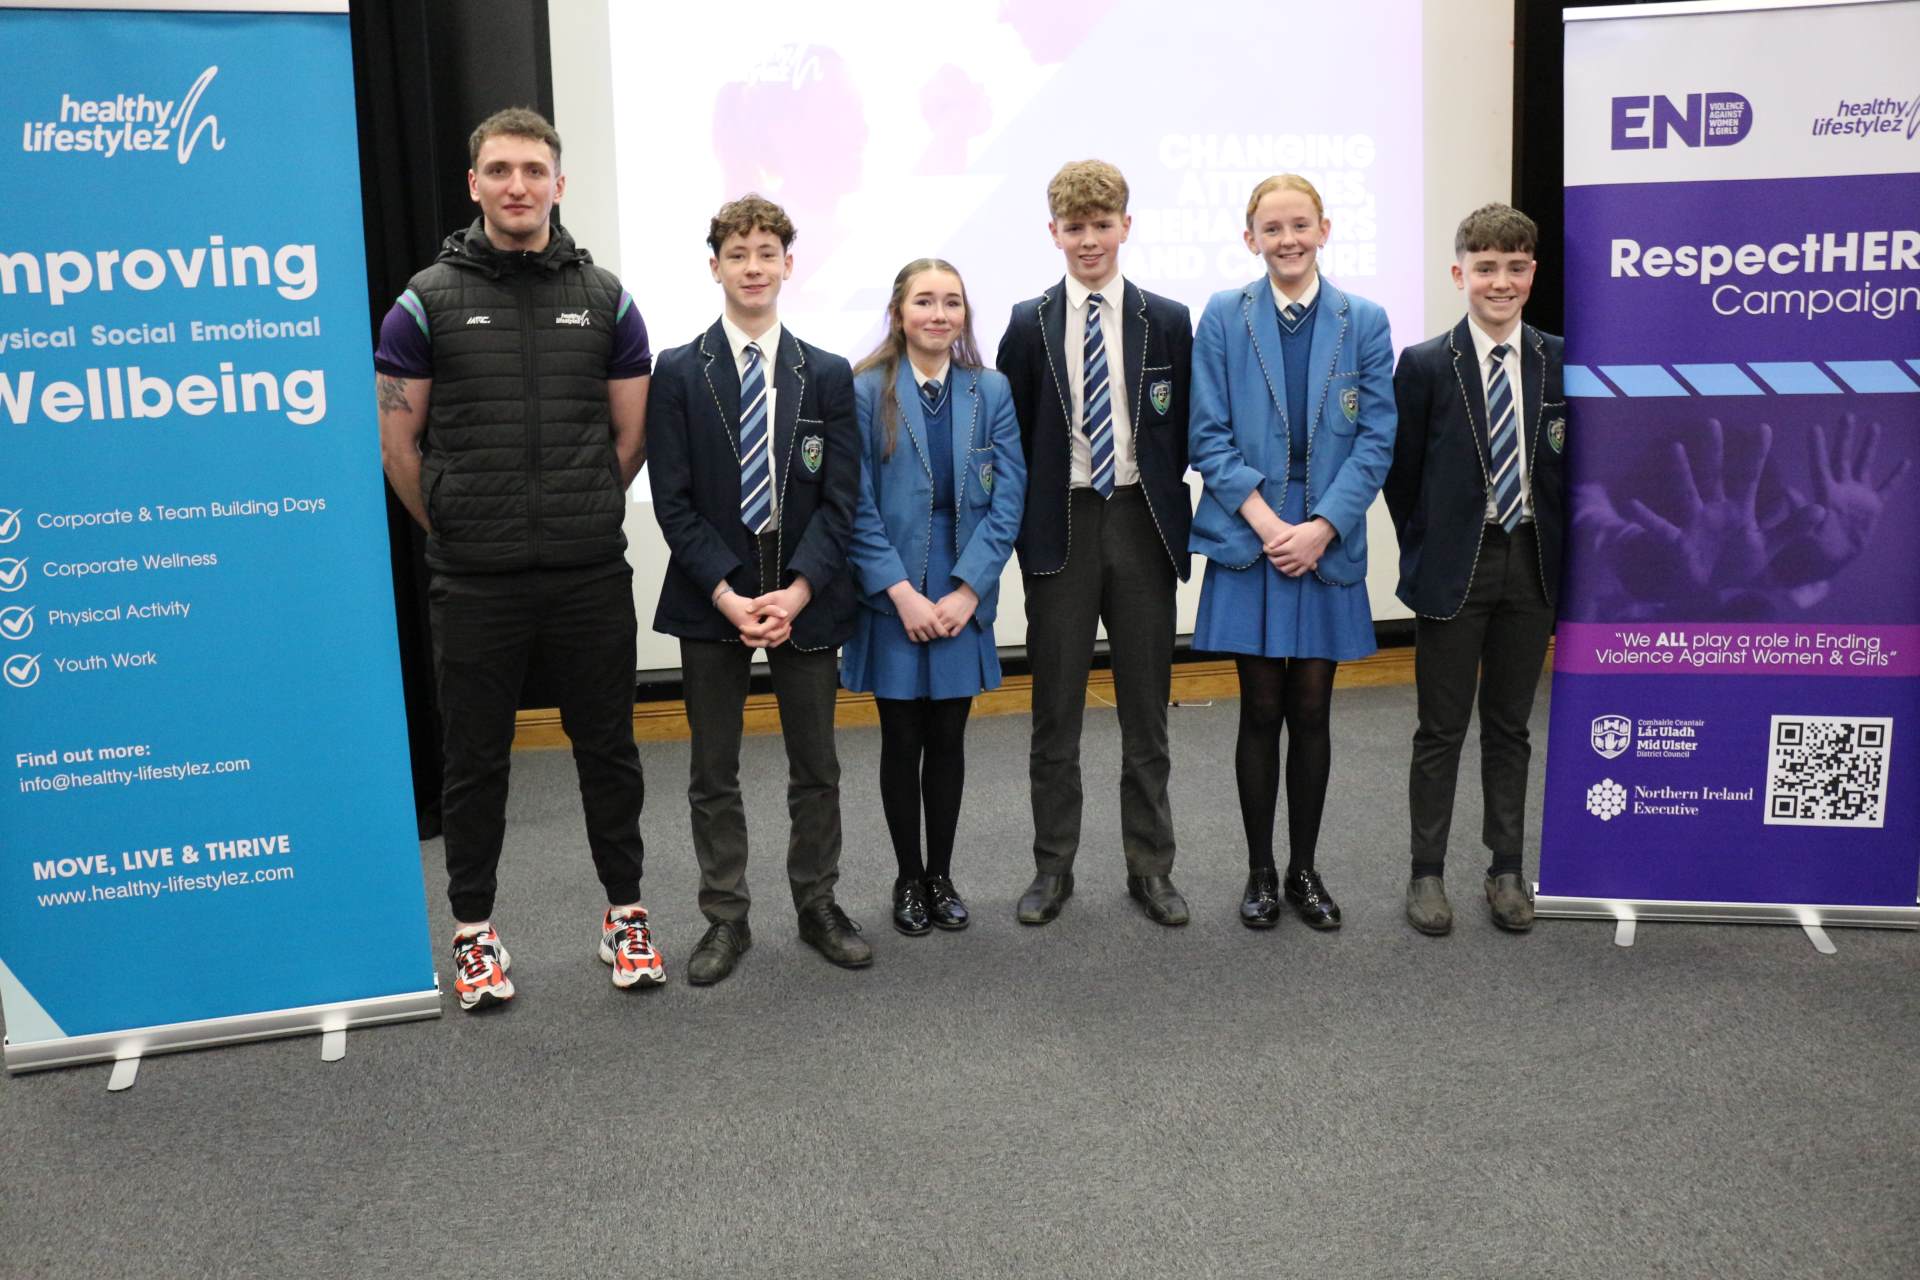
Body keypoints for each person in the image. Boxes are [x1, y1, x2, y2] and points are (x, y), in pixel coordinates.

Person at [374, 108, 659, 1008]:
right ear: (475, 184)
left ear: (559, 184)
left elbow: (629, 439)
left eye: (534, 170)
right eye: (500, 170)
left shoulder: (607, 298)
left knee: (609, 751)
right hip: (475, 581)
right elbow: (398, 447)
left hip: (587, 573)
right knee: (475, 762)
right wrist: (459, 524)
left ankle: (625, 915)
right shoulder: (424, 300)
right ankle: (474, 933)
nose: (518, 185)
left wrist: (578, 507)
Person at [646, 194, 867, 984]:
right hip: (715, 593)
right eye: (737, 254)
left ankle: (818, 904)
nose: (752, 267)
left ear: (788, 265)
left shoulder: (826, 373)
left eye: (766, 253)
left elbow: (841, 501)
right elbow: (672, 500)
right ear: (715, 267)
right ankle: (725, 917)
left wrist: (799, 590)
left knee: (817, 765)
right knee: (714, 770)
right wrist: (727, 593)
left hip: (804, 586)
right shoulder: (678, 371)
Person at [1188, 174, 1396, 931]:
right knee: (1260, 707)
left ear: (1325, 230)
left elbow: (1376, 439)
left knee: (1312, 710)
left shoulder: (1363, 319)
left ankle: (1305, 869)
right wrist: (1270, 524)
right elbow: (1206, 434)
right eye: (1272, 228)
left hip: (1325, 543)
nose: (1288, 240)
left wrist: (1321, 527)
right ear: (1250, 239)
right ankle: (1260, 872)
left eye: (1300, 225)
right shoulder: (1223, 315)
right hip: (1252, 538)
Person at [994, 160, 1194, 927]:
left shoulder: (1166, 319)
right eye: (1074, 227)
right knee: (1056, 712)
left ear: (1125, 227)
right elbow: (1010, 436)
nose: (1088, 240)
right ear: (1054, 233)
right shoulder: (1028, 323)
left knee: (1146, 711)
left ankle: (1152, 868)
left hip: (1141, 521)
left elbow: (1183, 426)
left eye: (1101, 225)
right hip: (1064, 525)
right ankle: (1053, 868)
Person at [1384, 203, 1564, 935]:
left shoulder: (1560, 359)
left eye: (1515, 268)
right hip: (1456, 566)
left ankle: (1506, 869)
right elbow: (1402, 477)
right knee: (1440, 728)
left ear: (1532, 274)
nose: (1500, 282)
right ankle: (1426, 873)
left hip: (1533, 563)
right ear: (1459, 274)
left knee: (1511, 726)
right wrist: (1431, 547)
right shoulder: (1427, 364)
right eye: (1485, 268)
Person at [842, 259, 1027, 935]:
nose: (938, 314)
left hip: (961, 587)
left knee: (948, 737)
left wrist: (970, 589)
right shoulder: (866, 390)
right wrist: (901, 595)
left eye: (951, 302)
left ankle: (941, 875)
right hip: (891, 590)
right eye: (924, 301)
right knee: (901, 738)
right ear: (899, 313)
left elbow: (1009, 497)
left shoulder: (991, 389)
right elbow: (855, 503)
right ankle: (907, 877)